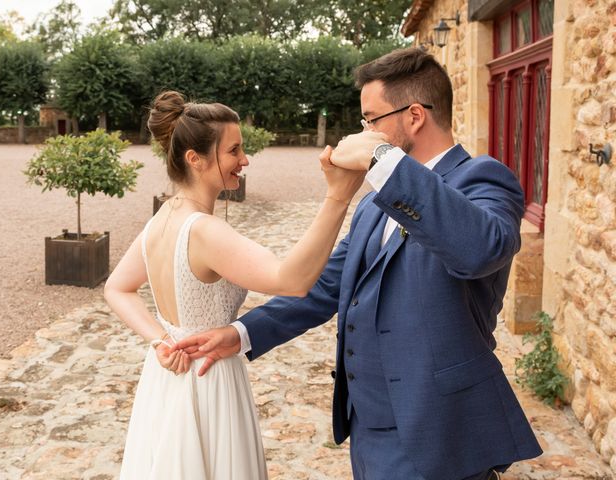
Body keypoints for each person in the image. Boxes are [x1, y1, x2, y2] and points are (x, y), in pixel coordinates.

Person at [173, 48, 544, 480]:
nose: (363, 131)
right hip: (370, 430)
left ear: (415, 116)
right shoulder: (373, 202)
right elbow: (330, 284)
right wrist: (242, 333)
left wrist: (384, 159)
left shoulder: (483, 179)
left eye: (371, 120)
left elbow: (480, 250)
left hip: (440, 428)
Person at [103, 90, 365, 479]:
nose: (245, 160)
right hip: (209, 380)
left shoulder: (162, 218)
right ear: (195, 159)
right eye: (234, 150)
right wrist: (337, 197)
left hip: (166, 380)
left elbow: (116, 288)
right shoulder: (205, 231)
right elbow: (290, 281)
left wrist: (161, 341)